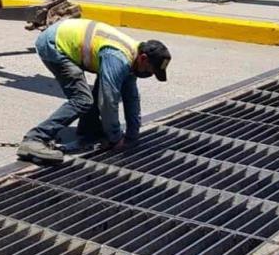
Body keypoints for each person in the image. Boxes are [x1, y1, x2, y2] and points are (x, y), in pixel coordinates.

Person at [17, 19, 171, 164]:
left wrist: (133, 134)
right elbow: (108, 102)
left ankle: (89, 129)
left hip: (66, 38)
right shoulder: (118, 57)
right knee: (82, 99)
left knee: (101, 91)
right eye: (150, 71)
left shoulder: (133, 58)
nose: (149, 75)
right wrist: (116, 138)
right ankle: (34, 139)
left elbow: (131, 98)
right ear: (143, 58)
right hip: (54, 44)